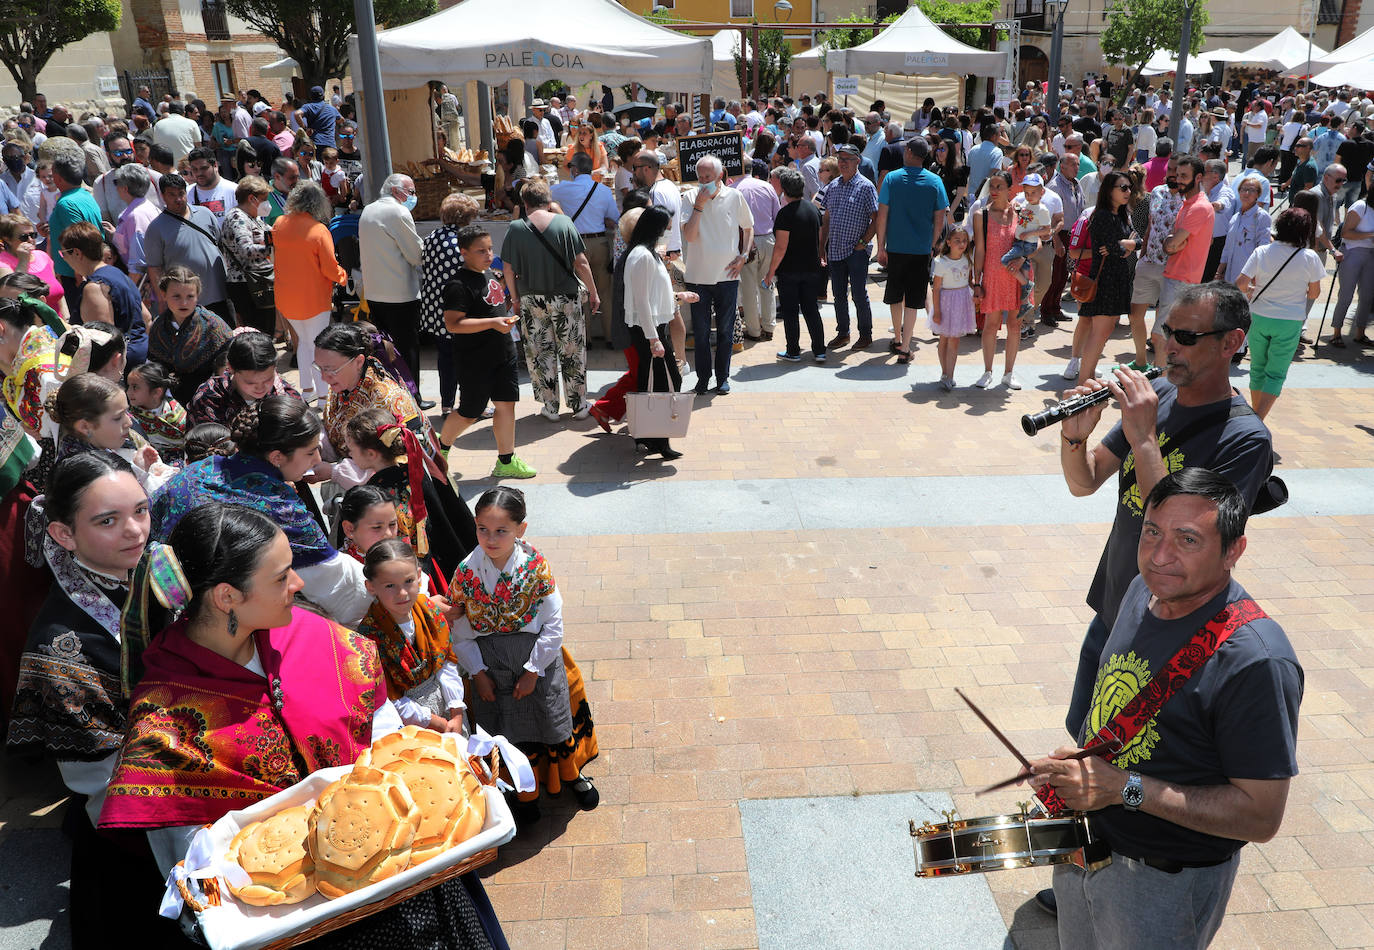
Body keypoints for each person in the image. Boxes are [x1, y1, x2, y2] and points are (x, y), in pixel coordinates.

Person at [99, 502, 508, 948]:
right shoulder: (165, 718)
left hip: (409, 874)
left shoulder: (317, 637)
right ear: (226, 596)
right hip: (294, 924)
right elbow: (187, 857)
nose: (297, 584)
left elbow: (384, 733)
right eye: (281, 577)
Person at [1030, 468, 1301, 950]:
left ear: (1233, 551)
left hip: (1160, 885)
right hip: (1083, 846)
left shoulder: (1256, 661)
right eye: (1152, 531)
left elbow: (1261, 818)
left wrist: (1123, 789)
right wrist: (1080, 772)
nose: (1159, 556)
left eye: (1188, 540)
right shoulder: (1143, 589)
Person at [7, 454, 183, 947]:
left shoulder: (157, 566)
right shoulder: (59, 649)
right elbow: (98, 779)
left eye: (141, 511)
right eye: (107, 521)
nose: (135, 531)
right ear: (65, 535)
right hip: (138, 822)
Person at [151, 396, 372, 625]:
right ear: (276, 457)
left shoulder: (198, 468)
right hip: (222, 621)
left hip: (166, 605)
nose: (317, 459)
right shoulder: (279, 507)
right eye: (310, 452)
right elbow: (340, 589)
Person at [449, 487, 600, 821]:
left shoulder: (535, 567)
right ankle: (525, 795)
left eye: (501, 530)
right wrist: (478, 673)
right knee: (507, 732)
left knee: (551, 722)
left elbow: (553, 624)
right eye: (482, 529)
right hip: (490, 665)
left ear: (521, 529)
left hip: (538, 662)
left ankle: (572, 776)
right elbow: (460, 631)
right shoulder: (465, 573)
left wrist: (533, 670)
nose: (490, 538)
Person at [437, 224, 535, 479]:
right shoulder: (457, 285)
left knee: (506, 405)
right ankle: (440, 449)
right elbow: (453, 324)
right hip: (474, 360)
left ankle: (506, 460)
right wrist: (492, 323)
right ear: (464, 252)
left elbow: (491, 307)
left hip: (503, 354)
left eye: (490, 248)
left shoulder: (489, 274)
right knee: (469, 412)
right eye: (481, 251)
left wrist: (503, 318)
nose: (489, 254)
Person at [501, 179, 598, 420]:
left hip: (532, 299)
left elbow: (508, 268)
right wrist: (594, 293)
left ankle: (550, 406)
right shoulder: (564, 223)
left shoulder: (516, 228)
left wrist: (514, 298)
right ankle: (579, 405)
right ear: (549, 201)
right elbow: (582, 263)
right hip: (566, 297)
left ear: (524, 203)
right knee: (572, 350)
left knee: (540, 351)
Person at [343, 407, 478, 576]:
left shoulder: (376, 496)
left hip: (400, 571)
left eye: (351, 449)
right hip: (429, 563)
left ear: (371, 453)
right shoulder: (413, 470)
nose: (349, 454)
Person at [358, 537, 465, 731]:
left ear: (418, 576)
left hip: (447, 705)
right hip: (410, 721)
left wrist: (456, 711)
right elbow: (387, 696)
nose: (402, 593)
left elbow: (447, 661)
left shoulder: (429, 610)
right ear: (371, 586)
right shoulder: (369, 636)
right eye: (390, 585)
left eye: (408, 581)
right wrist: (434, 722)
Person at [1236, 208, 1325, 422]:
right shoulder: (1310, 257)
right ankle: (1257, 422)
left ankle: (1255, 420)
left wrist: (1252, 290)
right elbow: (1314, 293)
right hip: (1289, 320)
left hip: (1259, 316)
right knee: (1275, 374)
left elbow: (1240, 284)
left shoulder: (1262, 251)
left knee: (1257, 368)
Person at [621, 206, 693, 460]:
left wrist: (678, 297)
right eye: (666, 228)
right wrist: (653, 339)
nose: (668, 233)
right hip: (648, 330)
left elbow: (651, 294)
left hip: (653, 327)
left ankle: (650, 436)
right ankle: (657, 439)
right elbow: (641, 301)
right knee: (664, 381)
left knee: (655, 381)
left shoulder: (647, 253)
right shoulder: (642, 256)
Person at [680, 154, 753, 395]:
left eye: (708, 177)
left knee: (724, 330)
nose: (703, 181)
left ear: (720, 175)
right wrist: (699, 206)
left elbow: (748, 227)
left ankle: (723, 377)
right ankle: (703, 378)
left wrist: (743, 255)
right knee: (701, 334)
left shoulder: (734, 196)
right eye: (699, 176)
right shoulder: (690, 198)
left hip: (727, 277)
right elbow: (689, 236)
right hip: (698, 277)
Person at [876, 137, 948, 363]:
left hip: (896, 247)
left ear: (908, 152)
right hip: (921, 249)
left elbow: (883, 215)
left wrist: (880, 246)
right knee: (914, 299)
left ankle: (897, 338)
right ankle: (906, 346)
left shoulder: (891, 179)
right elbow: (940, 217)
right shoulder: (935, 181)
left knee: (895, 295)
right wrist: (934, 243)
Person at [273, 180, 346, 402]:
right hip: (313, 298)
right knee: (319, 346)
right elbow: (331, 268)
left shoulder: (279, 223)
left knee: (304, 343)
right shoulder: (318, 230)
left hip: (287, 298)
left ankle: (307, 390)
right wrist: (344, 277)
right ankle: (324, 396)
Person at [1074, 171, 1140, 385]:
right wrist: (1125, 246)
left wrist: (1128, 245)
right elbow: (1113, 248)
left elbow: (1136, 240)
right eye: (1123, 187)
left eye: (1129, 187)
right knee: (1099, 332)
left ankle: (1089, 376)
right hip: (1104, 280)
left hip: (1117, 279)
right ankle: (1084, 380)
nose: (1128, 191)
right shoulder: (1102, 215)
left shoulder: (1121, 215)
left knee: (1105, 330)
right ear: (1109, 190)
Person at [143, 173, 234, 324]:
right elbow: (154, 268)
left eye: (181, 193)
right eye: (172, 195)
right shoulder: (156, 228)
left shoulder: (205, 213)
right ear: (163, 196)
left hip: (220, 295)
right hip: (187, 302)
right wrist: (163, 299)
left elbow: (220, 246)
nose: (178, 199)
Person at [420, 193, 481, 418]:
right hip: (460, 310)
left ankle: (447, 404)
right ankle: (471, 405)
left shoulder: (432, 236)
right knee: (468, 358)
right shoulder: (465, 241)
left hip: (436, 308)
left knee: (445, 358)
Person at [550, 152, 619, 346]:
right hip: (599, 243)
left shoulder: (561, 189)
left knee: (581, 291)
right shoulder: (604, 191)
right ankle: (610, 337)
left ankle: (585, 338)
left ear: (574, 169)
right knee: (604, 291)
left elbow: (542, 192)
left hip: (576, 244)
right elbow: (615, 219)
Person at [58, 221, 149, 366]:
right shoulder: (119, 274)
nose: (64, 259)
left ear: (76, 253)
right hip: (138, 357)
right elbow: (147, 318)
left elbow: (103, 340)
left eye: (63, 253)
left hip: (117, 367)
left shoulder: (93, 287)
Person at [819, 144, 879, 351]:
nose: (843, 162)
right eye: (840, 158)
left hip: (856, 251)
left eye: (847, 159)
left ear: (857, 162)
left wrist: (863, 243)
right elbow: (826, 218)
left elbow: (876, 218)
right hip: (835, 249)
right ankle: (843, 333)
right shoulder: (833, 185)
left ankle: (865, 334)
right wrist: (821, 246)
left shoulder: (866, 186)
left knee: (859, 295)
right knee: (838, 294)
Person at [146, 265, 233, 405]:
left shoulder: (213, 325)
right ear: (163, 294)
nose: (184, 302)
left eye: (190, 296)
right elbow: (155, 365)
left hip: (212, 397)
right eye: (176, 296)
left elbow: (228, 363)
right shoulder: (159, 327)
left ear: (198, 295)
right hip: (174, 400)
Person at [972, 171, 1026, 389]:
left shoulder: (1021, 213)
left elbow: (1035, 243)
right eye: (991, 186)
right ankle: (987, 371)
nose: (993, 191)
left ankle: (1009, 373)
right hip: (993, 277)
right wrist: (977, 282)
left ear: (1009, 189)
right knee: (991, 325)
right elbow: (980, 251)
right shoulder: (980, 215)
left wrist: (1023, 258)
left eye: (999, 187)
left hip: (1017, 276)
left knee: (1015, 325)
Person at [1155, 156, 1214, 349]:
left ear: (1198, 177)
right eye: (1177, 174)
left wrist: (1170, 243)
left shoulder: (1198, 207)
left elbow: (1172, 244)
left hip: (1182, 280)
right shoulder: (1188, 203)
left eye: (1184, 176)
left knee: (1163, 338)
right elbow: (1170, 245)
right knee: (1167, 337)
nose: (1178, 179)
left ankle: (1162, 379)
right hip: (1178, 277)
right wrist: (1170, 244)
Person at [189, 328, 301, 429]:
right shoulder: (209, 399)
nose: (260, 388)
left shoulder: (287, 398)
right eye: (250, 382)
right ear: (231, 368)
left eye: (268, 380)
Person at [218, 175, 276, 336]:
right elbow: (246, 249)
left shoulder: (253, 217)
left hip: (258, 281)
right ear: (252, 198)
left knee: (265, 330)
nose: (267, 204)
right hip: (246, 285)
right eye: (264, 199)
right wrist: (274, 249)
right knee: (257, 333)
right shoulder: (237, 217)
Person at [1328, 160, 1374, 348]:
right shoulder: (1360, 207)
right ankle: (1336, 332)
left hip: (1371, 256)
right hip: (1353, 254)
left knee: (1367, 296)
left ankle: (1360, 332)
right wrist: (1371, 234)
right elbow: (1346, 233)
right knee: (1346, 294)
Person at [46, 155, 103, 302]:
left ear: (58, 178)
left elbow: (78, 240)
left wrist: (79, 276)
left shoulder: (66, 203)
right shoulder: (85, 195)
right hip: (85, 268)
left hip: (75, 275)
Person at [734, 165, 780, 341]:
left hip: (746, 241)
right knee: (767, 283)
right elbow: (777, 216)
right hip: (768, 239)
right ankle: (769, 327)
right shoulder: (766, 186)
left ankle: (754, 330)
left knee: (748, 289)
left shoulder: (733, 190)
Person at [928, 227, 975, 391]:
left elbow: (969, 281)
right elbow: (936, 288)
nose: (962, 244)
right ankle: (945, 372)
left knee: (954, 340)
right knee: (944, 338)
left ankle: (950, 374)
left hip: (961, 302)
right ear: (948, 242)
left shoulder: (967, 260)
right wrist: (937, 311)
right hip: (946, 303)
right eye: (957, 241)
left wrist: (976, 292)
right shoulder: (942, 262)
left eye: (964, 241)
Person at [0, 212, 67, 317]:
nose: (31, 240)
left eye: (33, 235)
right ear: (8, 239)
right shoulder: (3, 264)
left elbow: (59, 292)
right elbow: (13, 296)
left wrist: (67, 317)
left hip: (59, 322)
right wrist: (23, 261)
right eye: (24, 237)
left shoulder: (42, 256)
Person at [125, 360, 186, 464]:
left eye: (135, 387)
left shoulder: (178, 415)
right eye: (128, 386)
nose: (128, 392)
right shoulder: (129, 416)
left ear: (157, 392)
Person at [111, 163, 162, 285]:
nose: (116, 187)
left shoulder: (135, 216)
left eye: (116, 183)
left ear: (125, 188)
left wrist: (129, 292)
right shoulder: (147, 207)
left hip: (144, 286)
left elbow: (138, 265)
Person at [1216, 177, 1272, 285]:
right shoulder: (1235, 218)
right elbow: (1227, 249)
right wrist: (1219, 271)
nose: (1246, 193)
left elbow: (1263, 248)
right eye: (1243, 189)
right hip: (1229, 276)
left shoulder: (1261, 217)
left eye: (1251, 190)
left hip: (1248, 279)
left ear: (1258, 194)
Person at [186, 146, 236, 224]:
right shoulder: (186, 194)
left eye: (204, 168)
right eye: (195, 169)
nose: (199, 173)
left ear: (215, 165)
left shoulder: (235, 191)